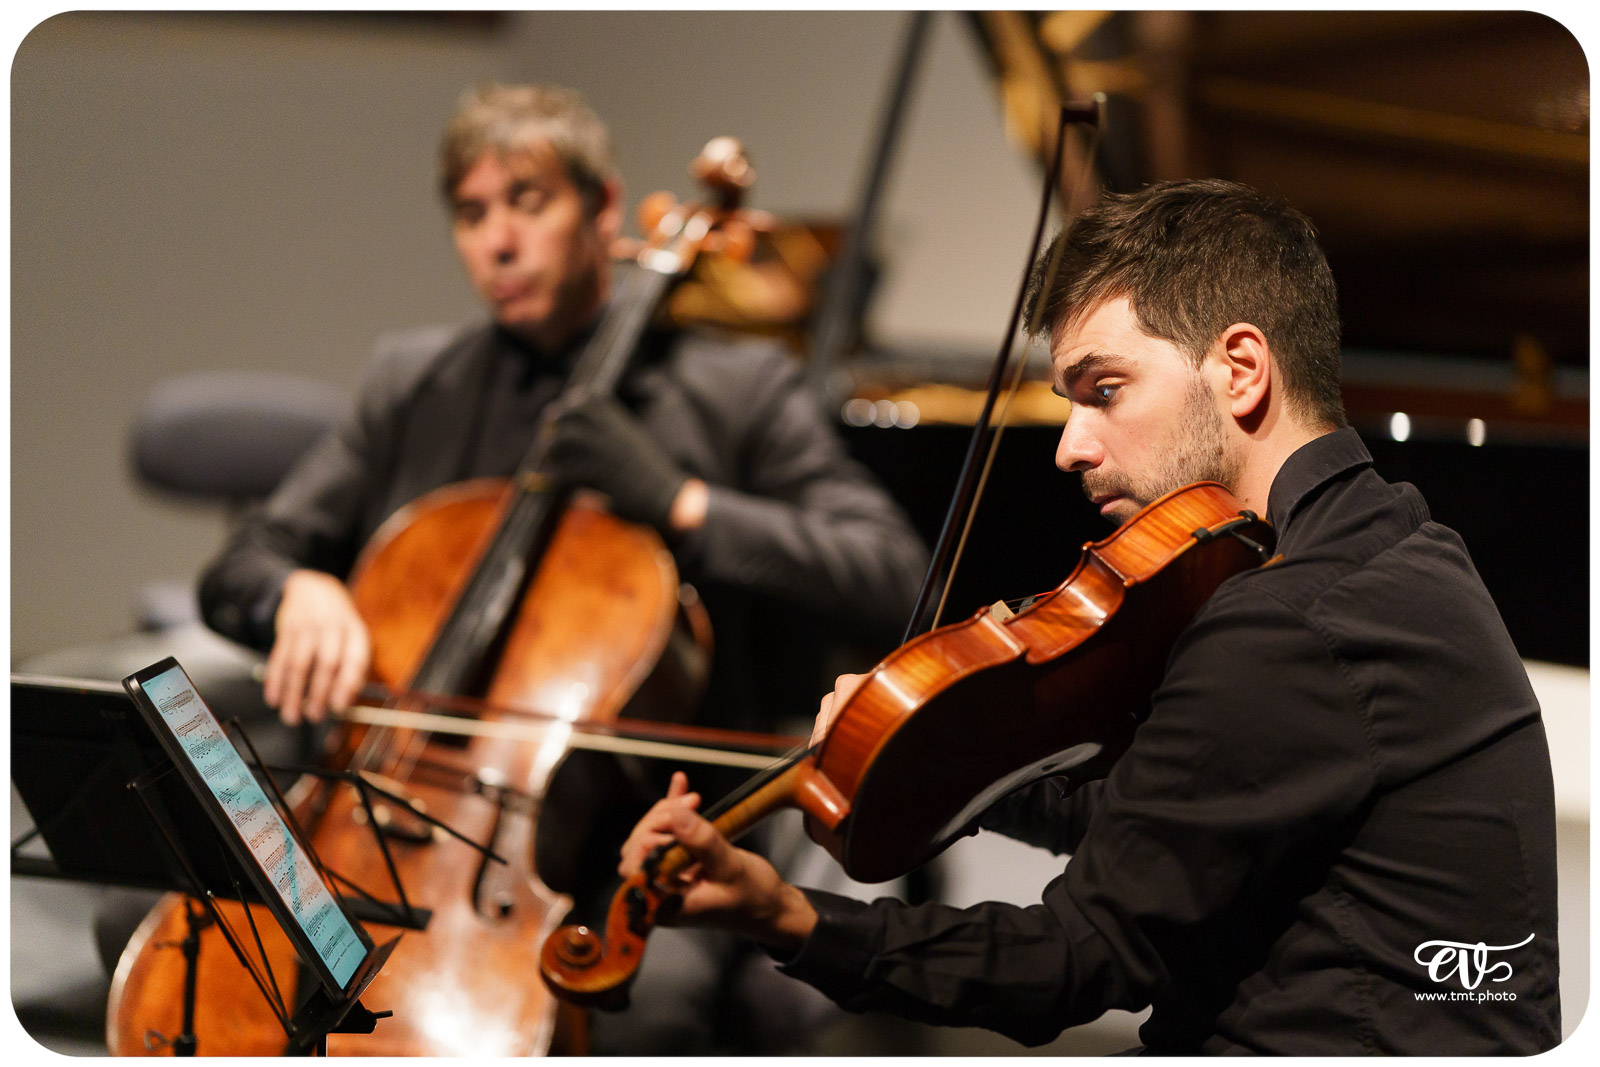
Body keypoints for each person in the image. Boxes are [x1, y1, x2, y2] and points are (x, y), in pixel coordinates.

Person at [618, 179, 1562, 1055]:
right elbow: (1167, 813)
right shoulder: (1398, 545)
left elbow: (1071, 957)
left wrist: (784, 915)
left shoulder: (1292, 621)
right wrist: (944, 744)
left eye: (1103, 391)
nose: (1070, 447)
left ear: (1240, 369)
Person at [193, 82, 929, 1054]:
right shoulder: (415, 381)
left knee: (644, 1007)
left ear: (604, 210)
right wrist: (299, 588)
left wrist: (682, 503)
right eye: (471, 213)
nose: (497, 241)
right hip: (379, 811)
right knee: (190, 939)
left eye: (527, 202)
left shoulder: (736, 388)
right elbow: (241, 565)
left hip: (631, 848)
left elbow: (890, 573)